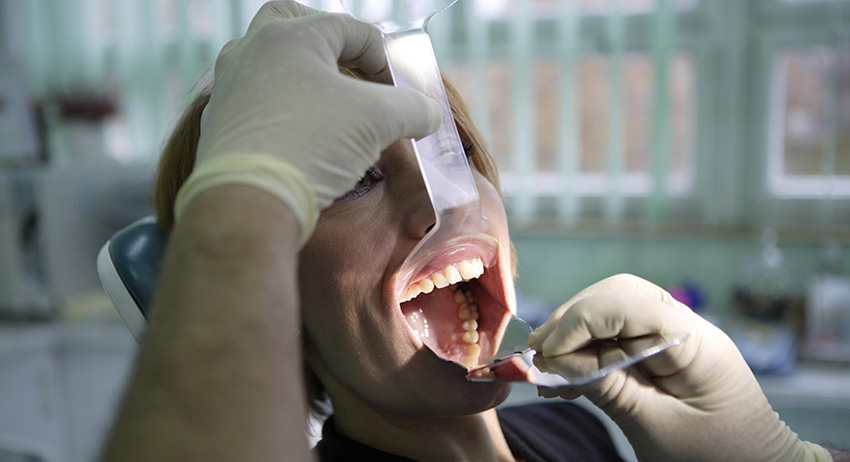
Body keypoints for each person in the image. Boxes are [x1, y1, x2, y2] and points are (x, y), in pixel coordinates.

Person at [101, 2, 847, 461]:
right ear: (276, 303)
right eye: (356, 178)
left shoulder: (581, 436)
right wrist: (239, 197)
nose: (446, 203)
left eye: (448, 150)